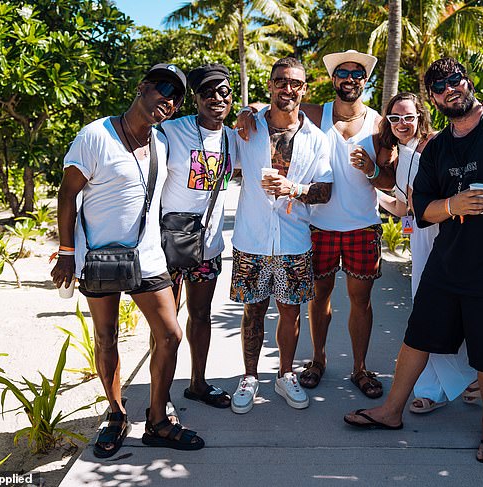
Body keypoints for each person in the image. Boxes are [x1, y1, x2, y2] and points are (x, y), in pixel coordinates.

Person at [344, 57, 483, 465]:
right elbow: (421, 208)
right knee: (417, 335)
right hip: (447, 262)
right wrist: (453, 204)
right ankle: (391, 411)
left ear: (468, 82)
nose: (449, 89)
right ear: (433, 98)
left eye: (454, 80)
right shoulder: (439, 148)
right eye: (439, 86)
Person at [51, 64, 205, 457]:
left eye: (175, 97)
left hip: (148, 257)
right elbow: (67, 195)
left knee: (170, 335)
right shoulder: (94, 136)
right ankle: (116, 413)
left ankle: (157, 420)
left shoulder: (161, 144)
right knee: (107, 337)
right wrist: (67, 254)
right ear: (142, 88)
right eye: (162, 88)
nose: (168, 100)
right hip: (98, 257)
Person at [237, 50, 395, 399]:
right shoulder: (315, 113)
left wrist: (370, 168)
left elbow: (388, 179)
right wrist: (246, 113)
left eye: (357, 74)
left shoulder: (378, 124)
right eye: (342, 72)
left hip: (361, 225)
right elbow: (277, 108)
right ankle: (317, 361)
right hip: (318, 225)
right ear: (332, 79)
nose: (350, 78)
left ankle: (360, 368)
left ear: (365, 81)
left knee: (360, 301)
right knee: (318, 298)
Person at [229, 57, 333, 414]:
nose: (287, 88)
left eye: (294, 83)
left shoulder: (316, 139)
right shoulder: (247, 129)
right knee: (252, 311)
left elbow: (325, 190)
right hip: (251, 238)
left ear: (304, 89)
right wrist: (244, 110)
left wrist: (294, 188)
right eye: (280, 81)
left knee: (290, 312)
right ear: (270, 85)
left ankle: (285, 374)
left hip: (293, 240)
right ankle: (249, 377)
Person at [374, 92, 479, 414]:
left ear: (421, 116)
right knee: (426, 312)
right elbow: (404, 207)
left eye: (408, 117)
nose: (402, 123)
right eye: (395, 118)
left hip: (444, 236)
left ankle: (463, 379)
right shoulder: (402, 152)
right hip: (420, 239)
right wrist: (371, 187)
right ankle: (438, 387)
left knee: (437, 311)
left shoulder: (438, 145)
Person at [159, 63, 236, 409]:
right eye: (207, 91)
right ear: (195, 98)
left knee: (201, 315)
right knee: (166, 324)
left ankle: (198, 383)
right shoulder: (170, 131)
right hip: (169, 245)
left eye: (223, 91)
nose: (216, 98)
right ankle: (159, 396)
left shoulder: (235, 137)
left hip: (207, 246)